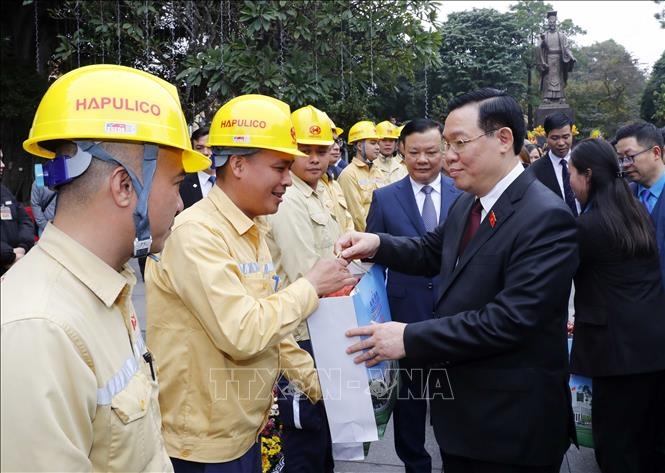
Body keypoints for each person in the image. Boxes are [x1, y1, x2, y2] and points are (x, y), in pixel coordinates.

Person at [337, 88, 578, 472]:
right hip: (463, 419)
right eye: (446, 144)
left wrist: (408, 337)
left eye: (458, 143)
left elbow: (510, 320)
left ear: (503, 139)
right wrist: (377, 243)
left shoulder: (544, 216)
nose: (447, 156)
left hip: (511, 427)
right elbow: (429, 251)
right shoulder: (470, 202)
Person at [1, 64, 212, 471]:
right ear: (124, 186)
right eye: (175, 184)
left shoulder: (107, 286)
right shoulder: (39, 331)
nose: (180, 203)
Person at [144, 94, 357, 473]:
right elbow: (242, 332)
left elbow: (272, 325)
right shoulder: (197, 235)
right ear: (238, 165)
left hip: (242, 430)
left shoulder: (252, 228)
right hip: (203, 445)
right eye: (279, 167)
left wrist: (322, 386)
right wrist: (311, 286)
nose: (287, 180)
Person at [365, 118, 461, 473]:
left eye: (431, 151)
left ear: (444, 151)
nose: (423, 159)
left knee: (455, 403)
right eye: (415, 152)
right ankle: (415, 465)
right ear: (401, 152)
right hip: (404, 320)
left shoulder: (465, 195)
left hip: (455, 319)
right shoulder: (385, 198)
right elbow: (373, 263)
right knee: (410, 406)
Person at [567, 138, 665, 473]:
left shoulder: (589, 226)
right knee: (648, 443)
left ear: (588, 175)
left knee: (615, 448)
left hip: (615, 355)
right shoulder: (635, 211)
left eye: (572, 173)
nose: (570, 182)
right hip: (652, 346)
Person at [265, 105, 340, 473]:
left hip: (324, 326)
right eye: (305, 151)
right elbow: (305, 275)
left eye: (321, 150)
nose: (314, 159)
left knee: (322, 432)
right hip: (301, 336)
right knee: (304, 433)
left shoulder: (321, 190)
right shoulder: (289, 199)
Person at [614, 121, 665, 288]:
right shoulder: (623, 198)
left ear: (656, 152)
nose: (625, 164)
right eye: (620, 159)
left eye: (630, 156)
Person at [337, 120, 386, 231]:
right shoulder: (349, 175)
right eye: (373, 143)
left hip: (381, 236)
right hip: (365, 237)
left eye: (378, 143)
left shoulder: (377, 172)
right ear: (359, 146)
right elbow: (357, 216)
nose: (378, 147)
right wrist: (373, 237)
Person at [529, 112, 580, 216]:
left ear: (572, 134)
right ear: (546, 137)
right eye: (555, 138)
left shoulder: (584, 161)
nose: (561, 143)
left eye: (565, 137)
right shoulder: (535, 171)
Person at [1, 149, 35, 275]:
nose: (3, 165)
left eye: (2, 159)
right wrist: (10, 255)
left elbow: (25, 220)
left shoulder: (5, 192)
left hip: (16, 265)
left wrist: (22, 247)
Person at [537, 11, 576, 103]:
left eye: (553, 22)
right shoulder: (544, 35)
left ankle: (561, 97)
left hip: (559, 59)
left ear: (556, 23)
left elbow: (566, 48)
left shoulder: (561, 35)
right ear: (548, 23)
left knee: (559, 77)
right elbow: (538, 47)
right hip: (548, 59)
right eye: (550, 22)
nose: (552, 24)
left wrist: (571, 56)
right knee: (547, 77)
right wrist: (543, 61)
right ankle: (546, 97)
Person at [179, 126, 216, 209]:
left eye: (211, 147)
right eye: (199, 148)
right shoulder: (182, 184)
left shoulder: (233, 180)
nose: (205, 152)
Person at [375, 120, 408, 184]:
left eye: (391, 140)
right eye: (384, 140)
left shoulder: (400, 168)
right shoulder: (371, 166)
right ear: (376, 142)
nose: (388, 144)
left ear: (396, 143)